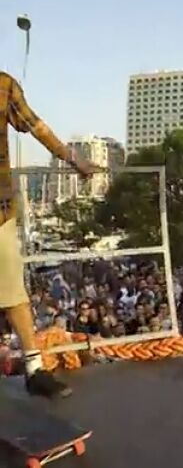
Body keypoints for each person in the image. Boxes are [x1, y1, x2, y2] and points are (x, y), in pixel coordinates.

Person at [0, 71, 97, 397]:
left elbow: (34, 125)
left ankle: (34, 369)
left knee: (13, 292)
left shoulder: (3, 85)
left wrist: (71, 157)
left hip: (0, 211)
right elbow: (36, 126)